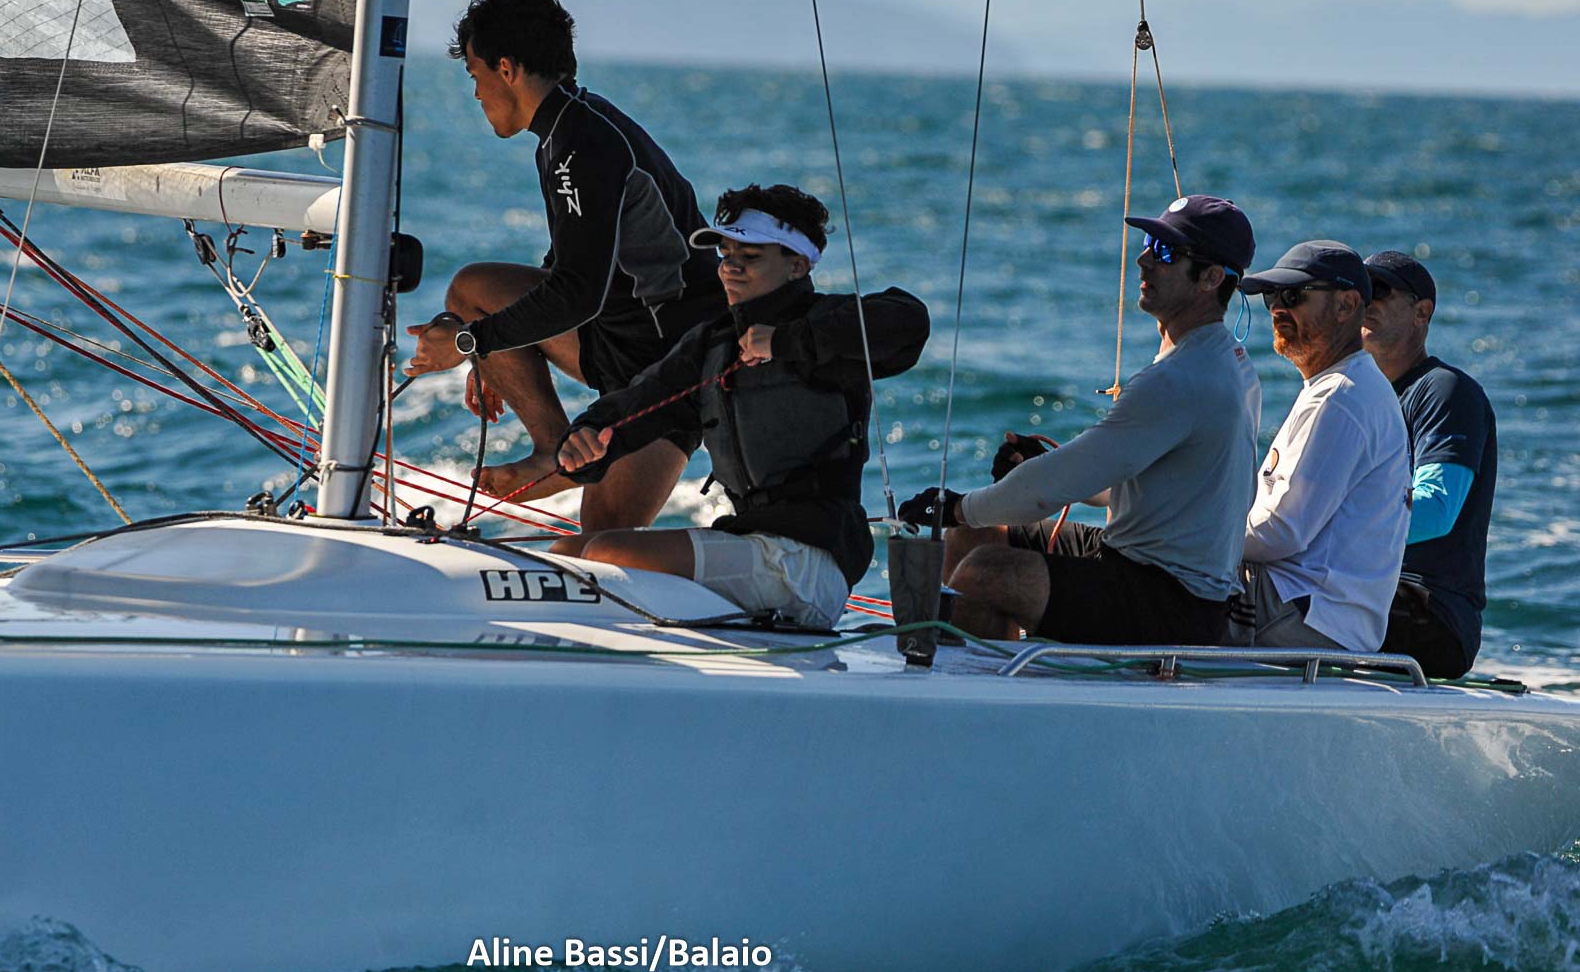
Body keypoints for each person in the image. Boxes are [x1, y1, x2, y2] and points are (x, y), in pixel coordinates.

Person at [406, 0, 726, 533]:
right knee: (471, 291)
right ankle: (555, 449)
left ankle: (563, 460)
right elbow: (568, 264)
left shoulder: (583, 142)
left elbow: (577, 293)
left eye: (475, 76)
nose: (476, 94)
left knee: (603, 541)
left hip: (668, 366)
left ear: (506, 69)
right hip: (615, 339)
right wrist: (494, 352)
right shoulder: (566, 128)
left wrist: (470, 342)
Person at [547, 184, 929, 629]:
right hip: (749, 544)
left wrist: (786, 341)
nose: (731, 267)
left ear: (797, 265)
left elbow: (909, 321)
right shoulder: (713, 344)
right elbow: (638, 403)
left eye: (750, 257)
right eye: (726, 254)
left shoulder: (827, 327)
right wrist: (586, 437)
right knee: (568, 554)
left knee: (606, 552)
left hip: (808, 562)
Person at [901, 194, 1261, 645]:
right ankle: (989, 665)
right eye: (1149, 244)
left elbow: (1053, 487)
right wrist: (997, 495)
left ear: (1211, 278)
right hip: (1140, 563)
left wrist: (955, 507)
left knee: (985, 571)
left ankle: (974, 680)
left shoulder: (1183, 379)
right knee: (975, 537)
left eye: (1167, 252)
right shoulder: (1232, 362)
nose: (1145, 260)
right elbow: (1151, 481)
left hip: (1176, 601)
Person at [1231, 241, 1410, 651]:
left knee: (1126, 575)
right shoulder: (1343, 386)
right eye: (1272, 297)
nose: (1278, 309)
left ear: (1347, 305)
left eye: (1293, 296)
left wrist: (1187, 536)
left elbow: (1280, 533)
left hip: (1303, 614)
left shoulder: (1340, 398)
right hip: (1312, 610)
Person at [1362, 250, 1496, 678]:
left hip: (1432, 611)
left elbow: (1436, 510)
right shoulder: (1360, 398)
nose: (1366, 301)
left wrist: (1325, 533)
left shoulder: (1445, 391)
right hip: (1370, 590)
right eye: (1360, 290)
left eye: (1379, 290)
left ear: (1422, 311)